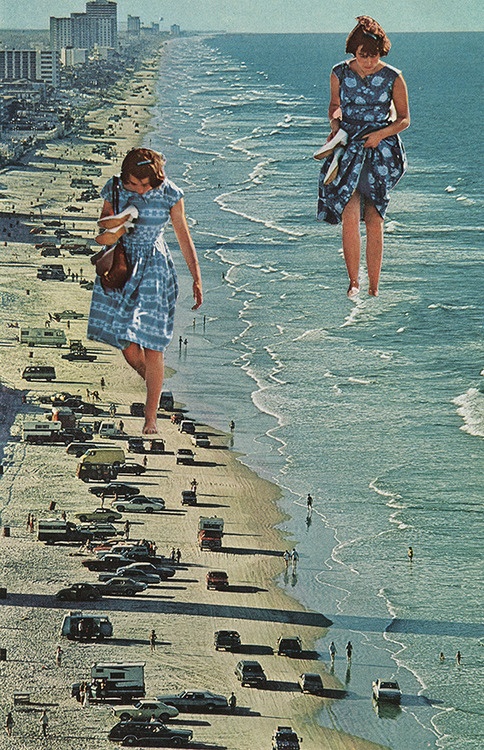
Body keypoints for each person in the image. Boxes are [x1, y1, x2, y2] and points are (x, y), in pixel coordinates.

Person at [87, 147, 203, 435]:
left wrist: (197, 278)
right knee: (126, 344)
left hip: (154, 269)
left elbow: (184, 236)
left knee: (153, 346)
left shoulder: (170, 193)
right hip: (122, 267)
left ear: (156, 179)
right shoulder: (114, 187)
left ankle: (151, 417)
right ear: (125, 176)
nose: (139, 189)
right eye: (133, 183)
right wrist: (120, 226)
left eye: (145, 184)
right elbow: (101, 230)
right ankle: (154, 381)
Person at [316, 16, 410, 297]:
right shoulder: (339, 72)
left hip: (380, 150)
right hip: (349, 146)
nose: (368, 61)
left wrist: (380, 135)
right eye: (362, 55)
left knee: (374, 217)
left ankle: (374, 285)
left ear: (381, 52)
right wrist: (335, 125)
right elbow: (334, 106)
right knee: (349, 213)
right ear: (354, 51)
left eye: (374, 55)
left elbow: (404, 119)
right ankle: (354, 280)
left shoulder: (393, 77)